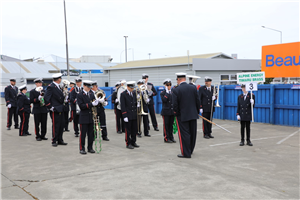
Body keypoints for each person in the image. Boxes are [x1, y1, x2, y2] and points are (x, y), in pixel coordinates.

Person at [172, 73, 200, 158]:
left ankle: (186, 153)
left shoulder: (176, 90)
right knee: (192, 133)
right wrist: (196, 111)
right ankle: (190, 150)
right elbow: (197, 101)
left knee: (184, 134)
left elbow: (175, 105)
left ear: (179, 79)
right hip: (193, 114)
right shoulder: (193, 88)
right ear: (185, 78)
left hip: (182, 116)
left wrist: (176, 113)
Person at [44, 73, 67, 147]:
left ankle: (60, 139)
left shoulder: (58, 87)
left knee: (61, 124)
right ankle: (54, 140)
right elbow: (46, 98)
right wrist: (50, 107)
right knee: (56, 125)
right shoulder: (51, 87)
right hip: (55, 109)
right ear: (59, 79)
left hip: (60, 108)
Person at [77, 80, 99, 154]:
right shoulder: (80, 95)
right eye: (88, 87)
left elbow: (94, 102)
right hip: (84, 117)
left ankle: (90, 147)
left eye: (90, 87)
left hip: (91, 117)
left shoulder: (91, 94)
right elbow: (81, 106)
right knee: (83, 134)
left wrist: (99, 102)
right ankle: (81, 148)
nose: (89, 88)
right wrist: (91, 104)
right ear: (84, 86)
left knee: (91, 134)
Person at [120, 81, 140, 149]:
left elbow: (134, 102)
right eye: (131, 88)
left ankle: (133, 142)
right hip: (128, 115)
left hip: (134, 114)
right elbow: (123, 106)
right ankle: (128, 143)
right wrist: (124, 115)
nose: (132, 89)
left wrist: (137, 104)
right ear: (128, 87)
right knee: (128, 130)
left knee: (134, 129)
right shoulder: (123, 94)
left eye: (133, 88)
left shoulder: (134, 93)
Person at [160, 79, 176, 143]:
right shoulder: (163, 93)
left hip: (171, 111)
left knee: (171, 125)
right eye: (167, 85)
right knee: (166, 125)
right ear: (165, 86)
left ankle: (171, 137)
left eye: (170, 85)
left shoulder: (173, 92)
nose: (169, 86)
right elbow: (164, 100)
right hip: (166, 112)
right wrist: (167, 92)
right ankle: (166, 138)